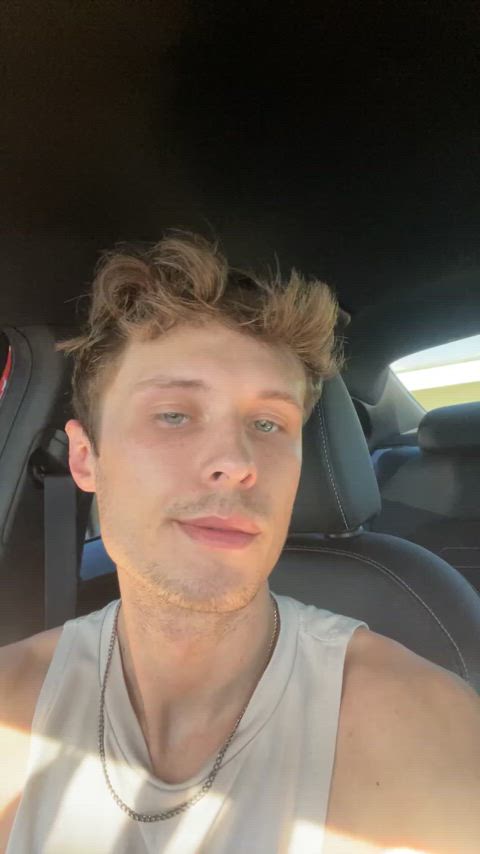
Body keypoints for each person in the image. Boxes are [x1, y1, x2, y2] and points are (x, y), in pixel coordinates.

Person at [1, 233, 479, 853]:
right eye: (174, 414)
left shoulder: (423, 729)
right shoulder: (10, 704)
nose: (236, 461)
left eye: (268, 423)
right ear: (86, 458)